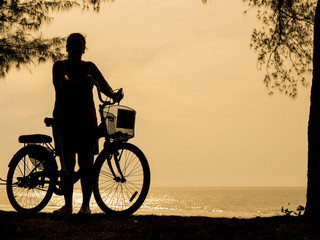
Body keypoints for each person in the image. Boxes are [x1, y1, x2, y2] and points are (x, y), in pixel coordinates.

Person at [52, 33, 121, 214]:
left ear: (84, 48)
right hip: (65, 121)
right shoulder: (60, 66)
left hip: (86, 122)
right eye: (72, 45)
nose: (75, 48)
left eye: (79, 45)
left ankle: (85, 206)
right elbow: (62, 82)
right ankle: (68, 206)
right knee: (67, 165)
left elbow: (104, 86)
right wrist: (78, 82)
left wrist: (113, 95)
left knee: (87, 165)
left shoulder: (90, 67)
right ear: (67, 48)